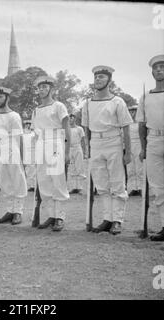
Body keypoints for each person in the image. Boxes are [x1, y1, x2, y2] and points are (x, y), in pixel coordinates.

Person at [81, 65, 133, 235]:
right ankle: (107, 219)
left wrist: (128, 151)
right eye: (96, 77)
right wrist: (87, 148)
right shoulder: (88, 103)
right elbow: (86, 129)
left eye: (102, 77)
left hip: (113, 141)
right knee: (101, 183)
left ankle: (117, 220)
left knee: (117, 182)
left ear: (109, 80)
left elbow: (125, 127)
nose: (98, 80)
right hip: (96, 142)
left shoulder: (117, 101)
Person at [32, 75, 70, 231]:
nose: (42, 90)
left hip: (55, 141)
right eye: (39, 87)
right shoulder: (36, 110)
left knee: (57, 180)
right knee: (44, 180)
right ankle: (51, 215)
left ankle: (60, 216)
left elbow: (67, 129)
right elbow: (35, 132)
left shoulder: (58, 106)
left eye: (45, 87)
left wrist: (67, 151)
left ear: (51, 89)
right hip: (41, 143)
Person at [0, 86, 27, 225]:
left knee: (17, 179)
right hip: (0, 149)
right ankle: (10, 210)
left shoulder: (14, 116)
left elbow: (20, 138)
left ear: (7, 98)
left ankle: (18, 211)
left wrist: (23, 158)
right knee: (5, 182)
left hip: (12, 148)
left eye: (0, 97)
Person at [137, 54, 164, 241]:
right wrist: (143, 147)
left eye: (163, 67)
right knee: (158, 187)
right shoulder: (146, 97)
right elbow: (141, 124)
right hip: (154, 140)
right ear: (152, 71)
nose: (160, 70)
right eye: (156, 68)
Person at [126, 105, 143, 196]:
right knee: (131, 168)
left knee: (139, 168)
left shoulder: (140, 123)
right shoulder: (127, 124)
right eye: (131, 111)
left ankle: (140, 187)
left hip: (138, 144)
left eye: (134, 111)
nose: (132, 113)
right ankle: (133, 188)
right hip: (130, 145)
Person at [68, 113, 87, 194]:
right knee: (72, 167)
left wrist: (85, 151)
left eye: (71, 118)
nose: (70, 120)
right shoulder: (67, 129)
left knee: (79, 166)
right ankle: (74, 187)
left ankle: (80, 187)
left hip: (77, 147)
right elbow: (65, 140)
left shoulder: (79, 129)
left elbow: (83, 140)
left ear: (74, 119)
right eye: (69, 118)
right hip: (70, 148)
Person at [23, 120, 36, 192]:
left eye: (29, 124)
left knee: (33, 169)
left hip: (32, 153)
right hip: (25, 153)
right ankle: (26, 185)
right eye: (26, 124)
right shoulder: (22, 134)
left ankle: (33, 185)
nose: (28, 125)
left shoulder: (33, 134)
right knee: (26, 170)